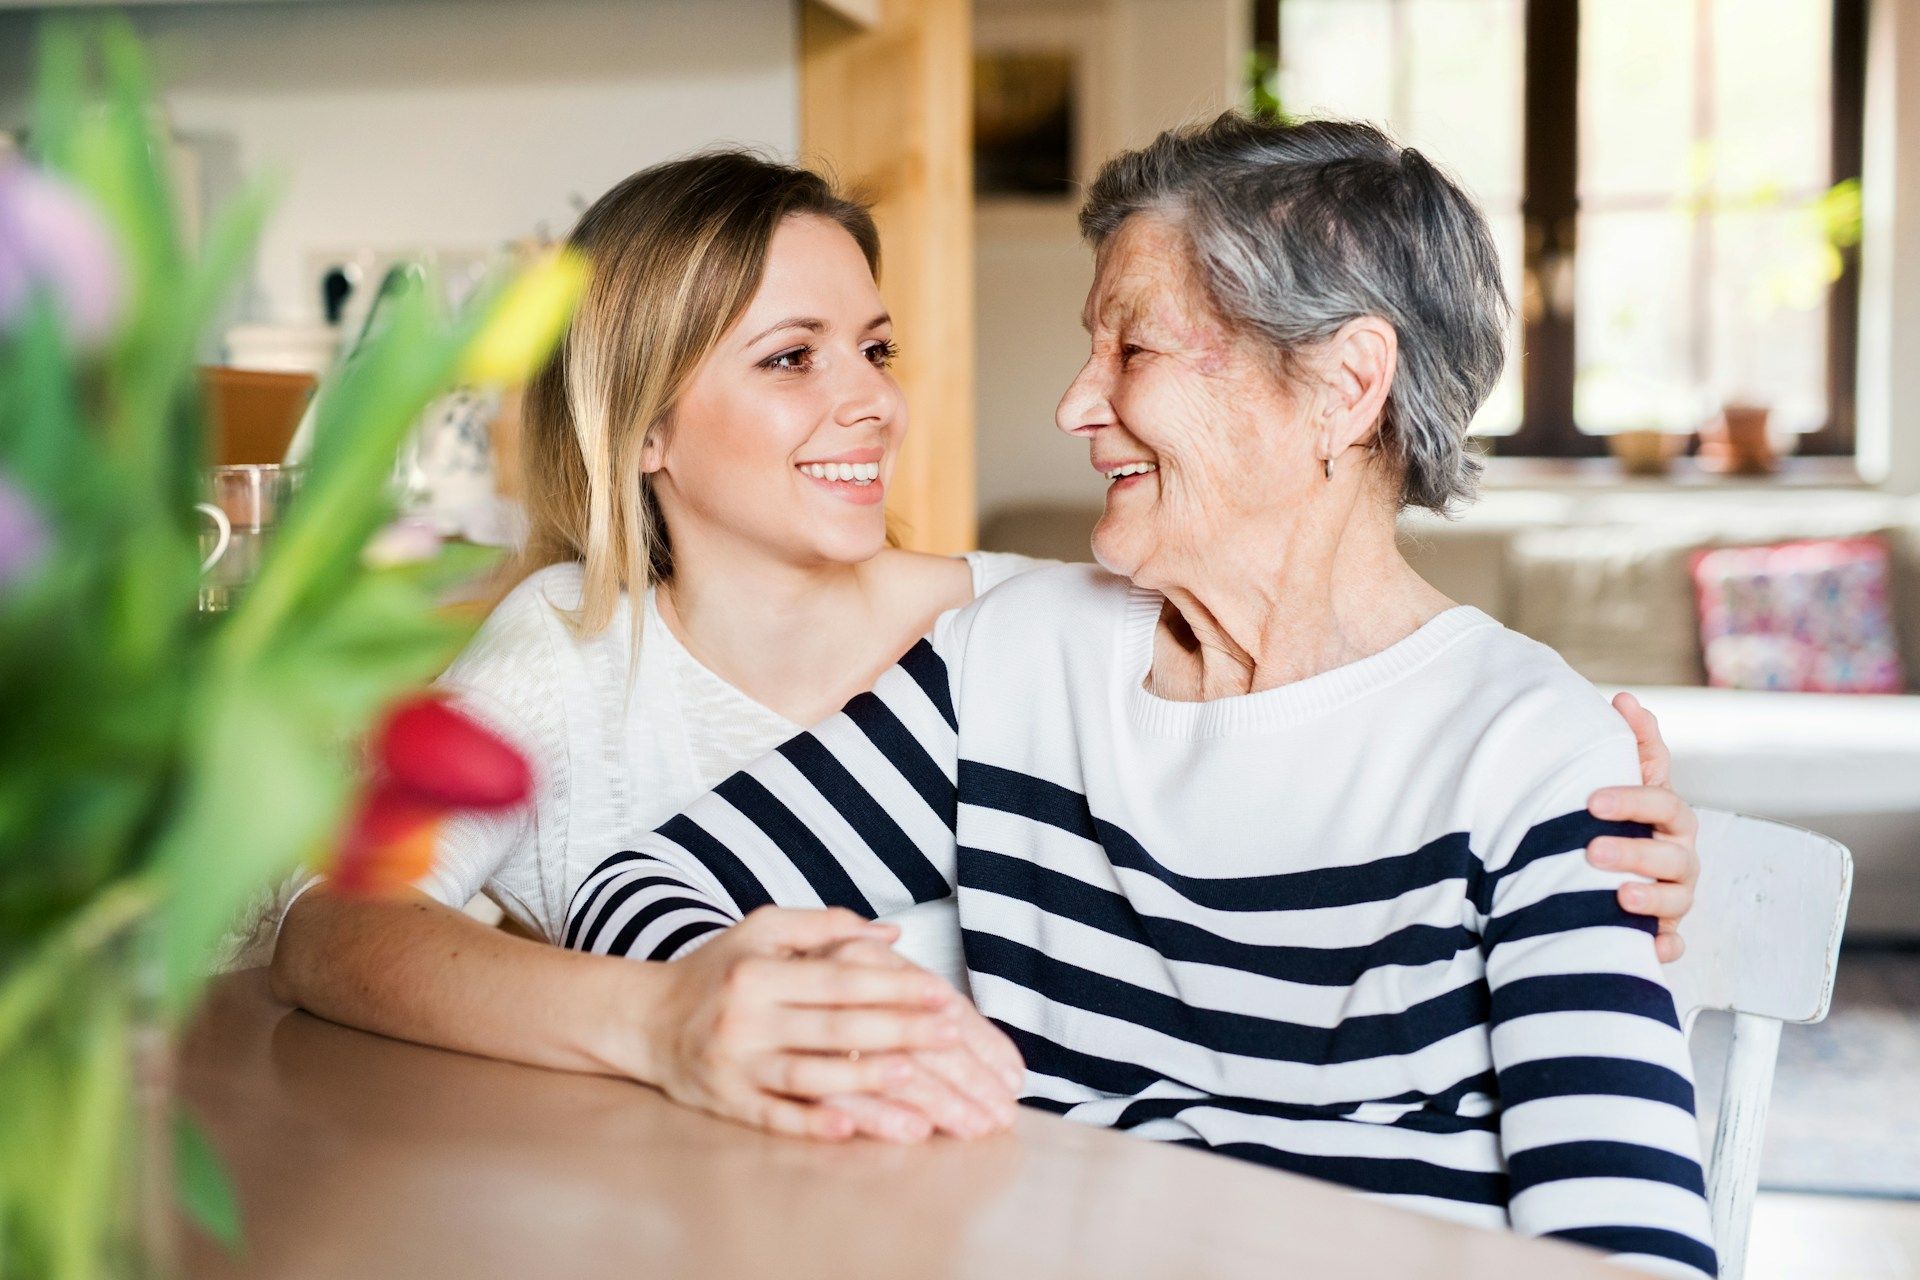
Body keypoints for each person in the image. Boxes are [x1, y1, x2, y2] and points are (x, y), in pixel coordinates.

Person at [273, 147, 1699, 1157]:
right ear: (640, 422)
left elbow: (1363, 730)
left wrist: (1592, 840)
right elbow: (344, 921)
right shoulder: (1005, 653)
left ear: (1346, 385)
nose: (873, 407)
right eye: (789, 358)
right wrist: (689, 1012)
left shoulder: (1026, 621)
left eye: (877, 351)